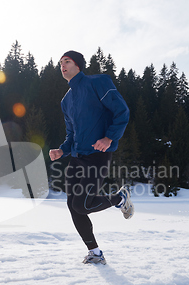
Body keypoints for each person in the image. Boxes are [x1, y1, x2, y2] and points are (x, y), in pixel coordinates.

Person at [49, 50, 134, 265]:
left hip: (98, 155)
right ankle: (95, 253)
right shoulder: (65, 101)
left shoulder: (99, 83)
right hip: (77, 158)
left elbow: (122, 112)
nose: (62, 66)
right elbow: (72, 134)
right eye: (60, 63)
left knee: (82, 205)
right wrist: (62, 150)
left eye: (67, 61)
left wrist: (109, 138)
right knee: (73, 206)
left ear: (78, 65)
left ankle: (119, 198)